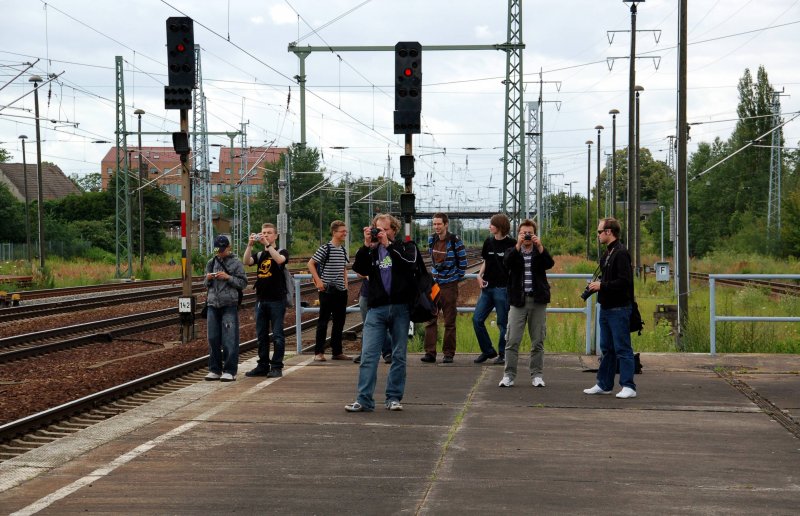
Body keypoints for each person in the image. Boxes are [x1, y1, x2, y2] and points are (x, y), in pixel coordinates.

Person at [345, 214, 423, 412]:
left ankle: (394, 398)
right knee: (368, 355)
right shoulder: (372, 251)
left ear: (393, 230)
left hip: (400, 308)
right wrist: (366, 245)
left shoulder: (407, 247)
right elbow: (359, 268)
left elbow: (409, 264)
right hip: (376, 309)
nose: (380, 233)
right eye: (377, 229)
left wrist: (388, 244)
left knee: (398, 355)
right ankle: (364, 400)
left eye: (385, 229)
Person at [583, 217, 638, 399]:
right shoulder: (608, 253)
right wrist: (598, 284)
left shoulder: (621, 253)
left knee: (622, 348)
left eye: (599, 232)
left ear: (609, 232)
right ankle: (604, 384)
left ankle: (628, 386)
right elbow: (610, 280)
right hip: (606, 307)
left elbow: (624, 282)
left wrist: (602, 286)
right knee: (607, 348)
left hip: (619, 308)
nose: (597, 235)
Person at [498, 219, 554, 388]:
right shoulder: (512, 251)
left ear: (535, 234)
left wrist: (540, 246)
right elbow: (506, 262)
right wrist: (518, 245)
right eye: (523, 233)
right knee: (512, 340)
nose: (527, 236)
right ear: (518, 234)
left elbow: (549, 263)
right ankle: (509, 375)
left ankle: (537, 375)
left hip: (538, 300)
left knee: (537, 340)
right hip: (518, 301)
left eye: (530, 233)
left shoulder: (539, 252)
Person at [242, 223, 288, 378]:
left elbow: (280, 260)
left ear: (275, 236)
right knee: (261, 335)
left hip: (277, 300)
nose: (265, 235)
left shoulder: (281, 251)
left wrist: (268, 245)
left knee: (277, 335)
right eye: (263, 233)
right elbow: (246, 261)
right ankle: (262, 365)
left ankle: (276, 366)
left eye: (269, 233)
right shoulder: (260, 255)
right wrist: (250, 245)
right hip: (261, 299)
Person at [421, 212, 467, 364]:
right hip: (435, 284)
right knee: (430, 318)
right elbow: (432, 260)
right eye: (434, 224)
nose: (436, 227)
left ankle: (448, 353)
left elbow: (462, 263)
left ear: (446, 224)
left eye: (439, 224)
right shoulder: (431, 240)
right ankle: (430, 353)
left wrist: (454, 278)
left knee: (449, 321)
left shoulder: (455, 241)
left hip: (449, 285)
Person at [473, 213, 516, 365]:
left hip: (503, 289)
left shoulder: (512, 244)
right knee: (477, 319)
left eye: (492, 224)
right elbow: (486, 261)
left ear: (499, 227)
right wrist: (479, 275)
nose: (489, 226)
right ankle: (487, 351)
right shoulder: (488, 242)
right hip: (487, 288)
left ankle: (503, 354)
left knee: (502, 323)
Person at [203, 235, 248, 382]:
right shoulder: (211, 262)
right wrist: (208, 278)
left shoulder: (236, 263)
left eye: (222, 250)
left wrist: (228, 277)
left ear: (229, 248)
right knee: (213, 338)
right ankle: (214, 369)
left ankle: (230, 370)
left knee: (229, 338)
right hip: (212, 304)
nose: (219, 253)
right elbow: (205, 282)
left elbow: (243, 283)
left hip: (229, 304)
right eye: (217, 250)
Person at [308, 220, 351, 362]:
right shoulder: (325, 248)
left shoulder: (343, 250)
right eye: (342, 231)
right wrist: (318, 281)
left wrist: (345, 284)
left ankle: (337, 351)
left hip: (340, 291)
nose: (345, 233)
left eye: (345, 231)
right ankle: (318, 352)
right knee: (323, 321)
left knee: (339, 322)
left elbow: (344, 268)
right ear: (334, 232)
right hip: (326, 290)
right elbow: (311, 263)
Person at [353, 277, 393, 365]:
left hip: (384, 294)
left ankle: (387, 352)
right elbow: (359, 272)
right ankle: (367, 353)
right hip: (366, 294)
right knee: (367, 326)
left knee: (381, 324)